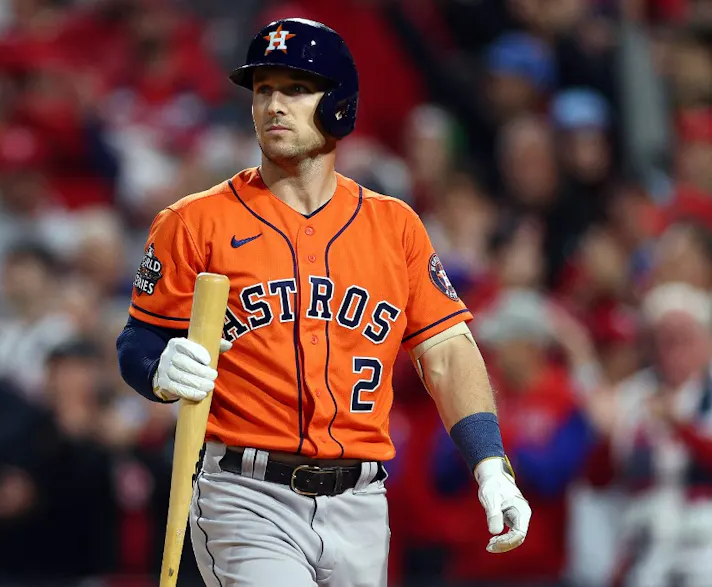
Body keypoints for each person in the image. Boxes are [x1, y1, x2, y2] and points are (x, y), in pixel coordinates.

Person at [116, 17, 532, 587]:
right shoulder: (195, 222)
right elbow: (139, 339)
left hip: (362, 501)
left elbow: (446, 350)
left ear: (339, 103)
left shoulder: (395, 226)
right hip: (245, 493)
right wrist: (156, 369)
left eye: (296, 88)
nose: (274, 105)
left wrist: (490, 464)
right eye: (263, 90)